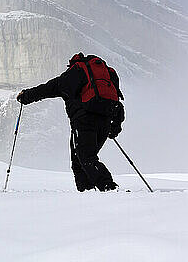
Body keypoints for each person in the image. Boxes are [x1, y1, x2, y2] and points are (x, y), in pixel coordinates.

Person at [17, 53, 124, 192]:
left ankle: (108, 187)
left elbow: (50, 88)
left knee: (85, 158)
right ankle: (89, 193)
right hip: (105, 122)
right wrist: (114, 127)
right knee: (82, 160)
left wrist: (26, 96)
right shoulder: (107, 74)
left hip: (84, 122)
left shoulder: (75, 72)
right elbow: (117, 103)